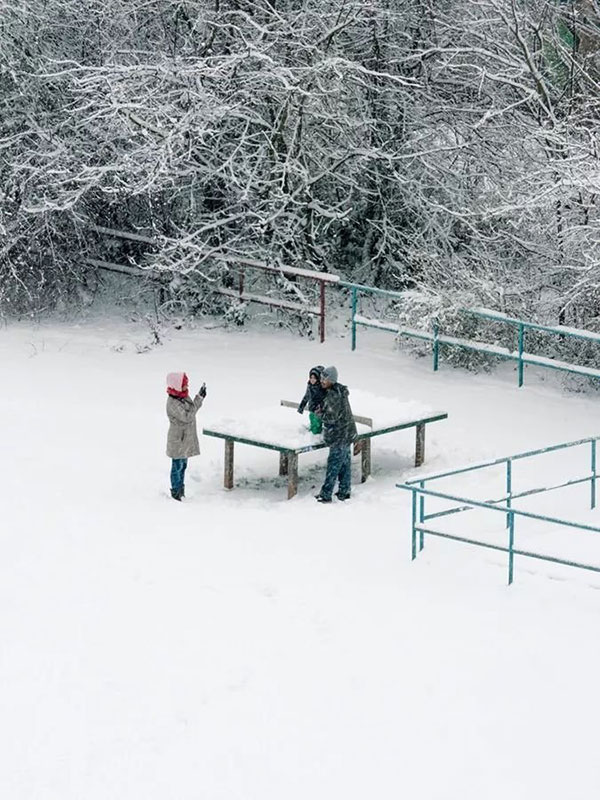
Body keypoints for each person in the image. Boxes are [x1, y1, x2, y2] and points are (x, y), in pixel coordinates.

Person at [315, 365, 357, 503]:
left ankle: (326, 493)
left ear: (331, 380)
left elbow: (331, 418)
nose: (322, 381)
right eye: (321, 378)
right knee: (344, 464)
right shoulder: (339, 391)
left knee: (334, 465)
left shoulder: (333, 395)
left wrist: (320, 414)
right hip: (347, 433)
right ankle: (344, 491)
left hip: (339, 435)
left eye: (324, 379)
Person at [166, 372, 206, 501]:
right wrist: (198, 401)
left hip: (185, 440)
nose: (187, 385)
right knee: (177, 467)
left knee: (183, 466)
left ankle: (181, 491)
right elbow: (188, 416)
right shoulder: (172, 403)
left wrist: (199, 397)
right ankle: (176, 492)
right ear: (177, 386)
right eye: (184, 384)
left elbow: (191, 409)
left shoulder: (183, 396)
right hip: (178, 441)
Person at [297, 364, 326, 434]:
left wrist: (321, 407)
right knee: (312, 418)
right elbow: (306, 396)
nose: (312, 380)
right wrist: (301, 406)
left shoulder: (321, 387)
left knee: (317, 422)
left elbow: (324, 398)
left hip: (319, 410)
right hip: (312, 408)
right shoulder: (310, 386)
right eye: (311, 377)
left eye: (314, 378)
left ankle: (316, 434)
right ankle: (313, 430)